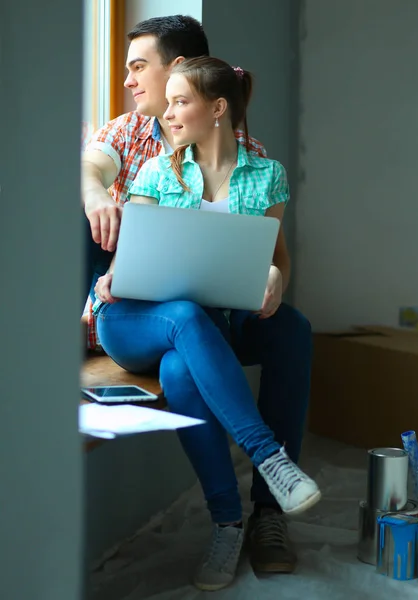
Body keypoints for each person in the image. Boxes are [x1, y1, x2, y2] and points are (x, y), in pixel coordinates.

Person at [82, 13, 313, 583]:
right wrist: (103, 226)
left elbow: (272, 253)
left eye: (141, 67)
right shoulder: (149, 160)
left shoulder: (258, 166)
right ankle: (269, 457)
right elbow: (94, 178)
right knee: (184, 317)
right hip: (135, 311)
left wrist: (277, 276)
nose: (133, 82)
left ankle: (242, 520)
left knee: (230, 350)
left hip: (210, 317)